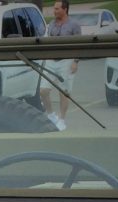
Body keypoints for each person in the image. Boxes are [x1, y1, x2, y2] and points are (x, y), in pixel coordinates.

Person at [41, 0, 81, 131]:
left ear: (65, 9)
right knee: (43, 90)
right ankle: (51, 114)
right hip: (51, 60)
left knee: (64, 91)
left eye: (57, 9)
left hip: (67, 60)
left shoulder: (74, 25)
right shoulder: (52, 24)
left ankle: (62, 119)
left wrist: (76, 61)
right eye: (54, 9)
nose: (54, 11)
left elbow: (80, 44)